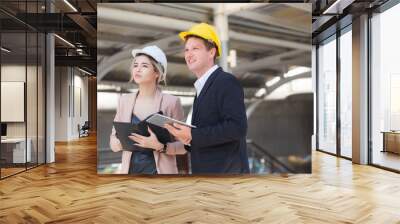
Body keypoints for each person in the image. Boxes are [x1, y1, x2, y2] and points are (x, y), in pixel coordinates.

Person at [164, 23, 250, 174]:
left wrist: (193, 135)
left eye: (195, 49)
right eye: (186, 50)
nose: (188, 54)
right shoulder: (202, 88)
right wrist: (189, 139)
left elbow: (237, 128)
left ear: (211, 52)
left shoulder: (226, 82)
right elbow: (208, 134)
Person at [110, 45, 186, 174]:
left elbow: (185, 145)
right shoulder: (124, 101)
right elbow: (113, 141)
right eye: (135, 65)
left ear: (157, 72)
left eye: (144, 66)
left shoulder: (171, 102)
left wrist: (160, 147)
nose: (138, 69)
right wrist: (123, 143)